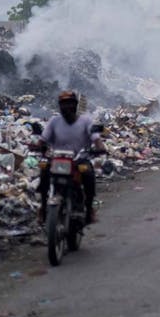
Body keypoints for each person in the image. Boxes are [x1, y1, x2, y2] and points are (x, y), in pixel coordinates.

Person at [32, 91, 105, 224]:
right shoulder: (54, 121)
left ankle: (89, 209)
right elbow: (43, 139)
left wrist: (100, 148)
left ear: (75, 105)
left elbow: (96, 138)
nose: (66, 107)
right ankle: (43, 208)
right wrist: (37, 146)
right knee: (44, 174)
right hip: (58, 159)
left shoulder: (86, 121)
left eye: (69, 104)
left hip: (79, 160)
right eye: (63, 104)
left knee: (88, 175)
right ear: (60, 106)